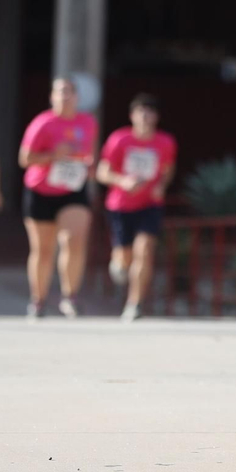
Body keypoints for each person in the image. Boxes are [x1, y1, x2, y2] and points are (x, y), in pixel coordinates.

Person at [18, 76, 97, 320]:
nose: (64, 96)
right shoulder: (42, 123)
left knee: (74, 241)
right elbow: (25, 159)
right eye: (60, 92)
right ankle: (38, 300)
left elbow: (90, 152)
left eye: (69, 92)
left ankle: (69, 296)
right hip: (41, 189)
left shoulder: (88, 123)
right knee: (43, 250)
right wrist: (53, 155)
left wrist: (89, 164)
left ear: (77, 97)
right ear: (52, 97)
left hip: (73, 188)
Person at [97, 92, 177, 321]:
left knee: (145, 250)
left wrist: (161, 185)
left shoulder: (165, 142)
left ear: (156, 117)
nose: (145, 116)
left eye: (149, 111)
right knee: (125, 258)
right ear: (132, 116)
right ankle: (119, 261)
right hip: (120, 205)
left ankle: (135, 303)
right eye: (140, 111)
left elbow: (168, 169)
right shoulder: (119, 139)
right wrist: (123, 181)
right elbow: (103, 172)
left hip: (150, 204)